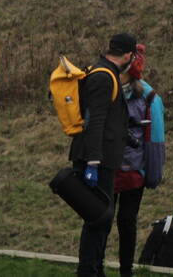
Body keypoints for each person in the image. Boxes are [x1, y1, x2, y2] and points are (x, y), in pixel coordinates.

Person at [69, 33, 137, 277]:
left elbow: (107, 117)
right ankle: (88, 270)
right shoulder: (103, 76)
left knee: (101, 218)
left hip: (103, 156)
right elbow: (95, 120)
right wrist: (94, 162)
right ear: (128, 55)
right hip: (97, 159)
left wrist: (127, 134)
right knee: (97, 218)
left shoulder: (105, 73)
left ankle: (94, 268)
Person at [114, 43, 166, 277]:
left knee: (125, 222)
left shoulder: (148, 96)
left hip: (132, 172)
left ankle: (126, 270)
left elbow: (155, 139)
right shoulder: (108, 86)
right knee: (109, 221)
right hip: (116, 167)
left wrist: (151, 174)